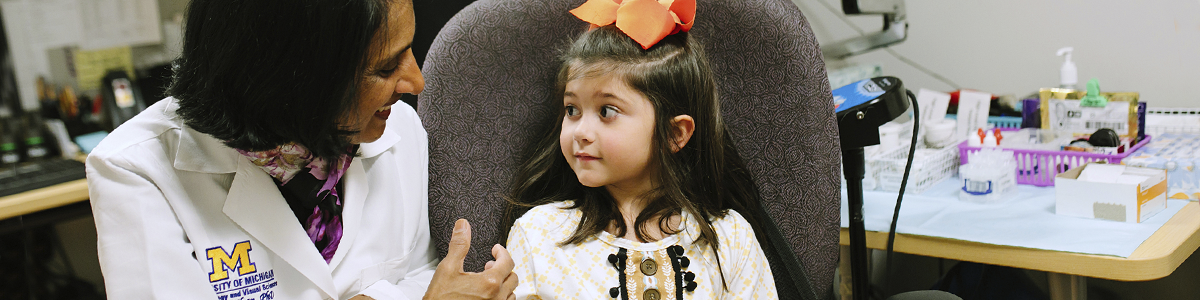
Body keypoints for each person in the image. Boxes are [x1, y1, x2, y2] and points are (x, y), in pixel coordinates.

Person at [84, 0, 516, 299]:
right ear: (296, 80)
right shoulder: (136, 170)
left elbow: (421, 273)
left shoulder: (395, 128)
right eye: (385, 68)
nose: (415, 84)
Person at [501, 0, 778, 298]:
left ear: (674, 134)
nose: (580, 132)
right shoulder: (539, 234)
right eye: (572, 110)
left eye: (607, 111)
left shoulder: (730, 238)